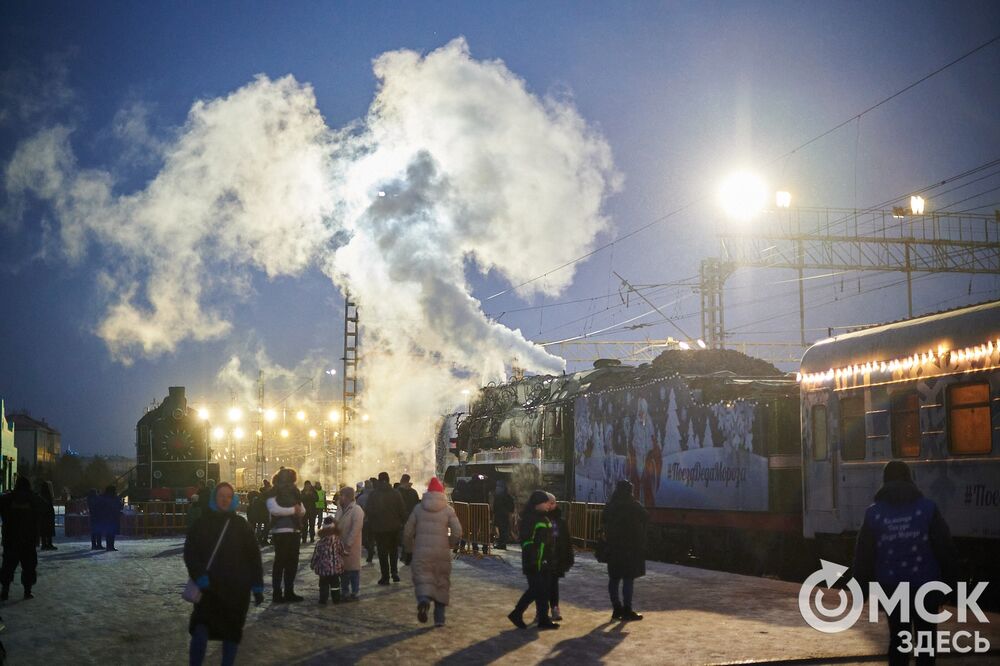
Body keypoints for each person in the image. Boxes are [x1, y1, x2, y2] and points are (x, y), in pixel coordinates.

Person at [853, 460, 958, 666]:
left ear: (884, 482)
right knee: (926, 640)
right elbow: (945, 549)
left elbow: (864, 555)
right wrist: (952, 585)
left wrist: (861, 589)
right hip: (926, 586)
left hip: (892, 588)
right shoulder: (928, 509)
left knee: (899, 639)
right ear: (910, 479)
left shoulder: (874, 513)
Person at [184, 482, 264, 666]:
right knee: (200, 631)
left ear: (233, 499)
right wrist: (199, 575)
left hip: (236, 592)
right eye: (221, 496)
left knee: (231, 635)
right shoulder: (202, 523)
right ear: (214, 498)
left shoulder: (241, 525)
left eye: (229, 496)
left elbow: (254, 556)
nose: (225, 500)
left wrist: (257, 585)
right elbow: (191, 552)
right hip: (209, 589)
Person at [403, 477, 462, 627]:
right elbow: (457, 532)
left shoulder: (418, 508)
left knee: (424, 577)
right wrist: (449, 544)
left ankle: (423, 601)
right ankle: (440, 619)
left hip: (421, 551)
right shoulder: (448, 510)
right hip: (441, 551)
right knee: (441, 581)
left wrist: (410, 549)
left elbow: (407, 532)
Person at [508, 490, 559, 630]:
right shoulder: (531, 519)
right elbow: (527, 541)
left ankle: (543, 619)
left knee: (542, 591)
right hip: (534, 561)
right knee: (536, 590)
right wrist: (535, 558)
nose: (548, 505)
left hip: (545, 561)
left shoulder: (544, 518)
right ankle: (517, 613)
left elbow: (550, 540)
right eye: (545, 502)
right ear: (537, 504)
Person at [603, 479, 647, 621]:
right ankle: (627, 610)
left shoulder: (610, 506)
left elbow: (603, 521)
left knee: (614, 579)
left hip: (613, 548)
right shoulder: (634, 506)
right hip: (630, 549)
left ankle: (616, 608)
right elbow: (646, 517)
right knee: (628, 579)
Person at [0, 477, 43, 600]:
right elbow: (45, 507)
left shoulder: (7, 499)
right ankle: (27, 591)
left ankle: (5, 590)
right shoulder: (33, 499)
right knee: (29, 567)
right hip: (28, 540)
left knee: (8, 567)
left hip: (11, 539)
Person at [266, 468, 305, 602]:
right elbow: (274, 510)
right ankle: (278, 593)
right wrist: (293, 510)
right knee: (283, 563)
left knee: (289, 564)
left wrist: (297, 511)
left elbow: (302, 509)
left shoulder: (293, 491)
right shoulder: (275, 492)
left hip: (293, 531)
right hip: (282, 531)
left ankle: (287, 591)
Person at [366, 471, 407, 585]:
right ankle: (394, 573)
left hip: (379, 529)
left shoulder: (374, 494)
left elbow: (368, 510)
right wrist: (402, 522)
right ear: (389, 480)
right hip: (394, 528)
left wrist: (373, 521)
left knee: (382, 553)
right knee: (393, 551)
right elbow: (402, 510)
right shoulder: (396, 493)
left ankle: (385, 576)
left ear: (379, 480)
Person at [336, 486, 364, 601]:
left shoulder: (357, 510)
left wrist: (348, 543)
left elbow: (356, 528)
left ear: (346, 497)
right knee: (343, 570)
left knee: (353, 570)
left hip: (352, 545)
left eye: (341, 495)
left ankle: (355, 591)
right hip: (340, 544)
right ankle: (345, 591)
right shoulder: (341, 509)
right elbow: (336, 523)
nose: (339, 498)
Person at [549, 501, 575, 622]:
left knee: (553, 585)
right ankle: (543, 610)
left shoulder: (560, 522)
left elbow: (566, 541)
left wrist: (568, 557)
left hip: (555, 559)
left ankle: (554, 608)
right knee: (544, 585)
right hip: (545, 558)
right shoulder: (541, 520)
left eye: (553, 502)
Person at [310, 516, 345, 604]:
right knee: (335, 585)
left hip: (323, 569)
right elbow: (341, 551)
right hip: (335, 568)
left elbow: (316, 555)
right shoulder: (338, 541)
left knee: (323, 585)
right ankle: (336, 599)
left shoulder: (320, 542)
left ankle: (323, 599)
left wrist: (313, 564)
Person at [99, 485, 123, 552]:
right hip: (114, 517)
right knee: (112, 533)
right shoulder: (115, 497)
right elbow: (119, 505)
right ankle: (111, 546)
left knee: (108, 532)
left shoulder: (103, 497)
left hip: (105, 517)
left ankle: (108, 546)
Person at [492, 481, 514, 550]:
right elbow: (511, 504)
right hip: (504, 514)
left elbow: (495, 504)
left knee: (501, 529)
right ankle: (502, 543)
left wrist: (494, 511)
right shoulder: (506, 495)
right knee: (503, 529)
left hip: (500, 514)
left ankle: (501, 544)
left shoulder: (498, 494)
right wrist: (510, 511)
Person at [36, 480, 57, 551]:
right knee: (48, 530)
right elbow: (49, 505)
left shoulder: (41, 495)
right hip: (47, 515)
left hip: (43, 516)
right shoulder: (48, 495)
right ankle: (48, 544)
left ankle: (45, 544)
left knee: (44, 530)